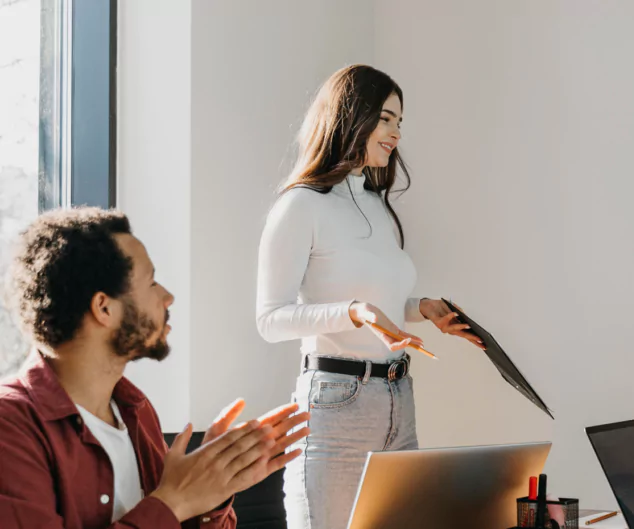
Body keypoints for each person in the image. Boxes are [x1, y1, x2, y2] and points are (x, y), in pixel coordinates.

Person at [255, 64, 484, 527]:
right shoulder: (300, 205)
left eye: (400, 121)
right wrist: (354, 312)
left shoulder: (377, 205)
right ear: (349, 116)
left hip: (398, 398)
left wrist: (420, 309)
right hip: (336, 406)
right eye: (385, 118)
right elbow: (271, 319)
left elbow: (378, 304)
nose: (396, 132)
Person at [0, 207, 309, 529]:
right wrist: (174, 502)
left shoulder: (135, 410)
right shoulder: (11, 427)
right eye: (151, 283)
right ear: (104, 308)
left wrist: (211, 493)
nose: (168, 297)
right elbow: (171, 509)